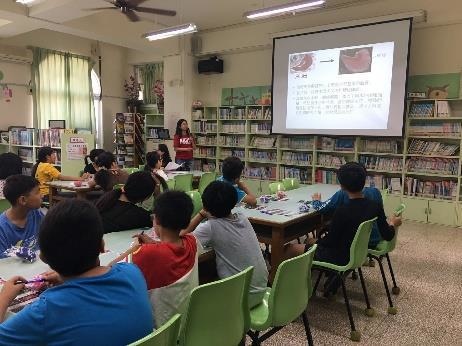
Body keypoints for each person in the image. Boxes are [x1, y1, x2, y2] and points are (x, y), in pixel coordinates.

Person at [0, 199, 153, 344]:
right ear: (102, 246)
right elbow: (108, 273)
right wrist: (68, 279)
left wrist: (5, 297)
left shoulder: (47, 310)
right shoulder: (132, 273)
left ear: (43, 257)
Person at [284, 162, 402, 268]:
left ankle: (275, 281)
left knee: (290, 248)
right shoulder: (375, 206)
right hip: (359, 252)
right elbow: (387, 235)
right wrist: (392, 223)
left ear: (341, 186)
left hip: (341, 257)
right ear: (364, 181)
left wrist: (317, 242)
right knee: (308, 241)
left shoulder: (342, 211)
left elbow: (330, 242)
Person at [182, 181, 268, 308]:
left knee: (198, 291)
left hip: (241, 299)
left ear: (205, 205)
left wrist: (201, 214)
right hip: (261, 290)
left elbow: (181, 235)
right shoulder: (242, 217)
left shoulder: (211, 227)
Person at [132, 191, 199, 328]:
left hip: (159, 332)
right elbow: (171, 248)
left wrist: (134, 249)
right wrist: (154, 244)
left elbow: (113, 267)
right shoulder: (192, 242)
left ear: (156, 219)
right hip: (187, 325)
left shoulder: (147, 254)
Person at [314, 180, 388, 248]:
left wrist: (316, 202)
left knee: (309, 241)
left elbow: (323, 208)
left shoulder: (342, 199)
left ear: (342, 186)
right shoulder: (375, 192)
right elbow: (386, 230)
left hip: (352, 246)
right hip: (373, 239)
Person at [0, 175, 43, 258]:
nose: (42, 195)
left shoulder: (36, 214)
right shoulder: (2, 228)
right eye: (37, 192)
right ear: (23, 200)